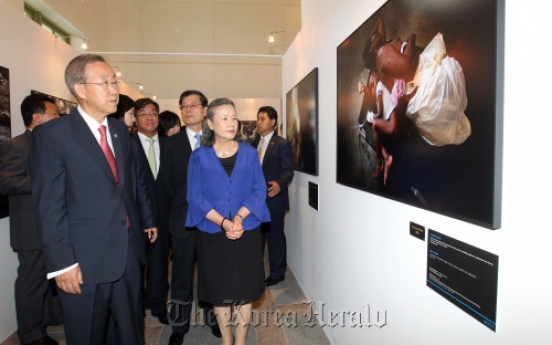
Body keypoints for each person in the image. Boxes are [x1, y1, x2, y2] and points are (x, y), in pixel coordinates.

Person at [30, 54, 158, 345]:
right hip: (83, 263)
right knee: (87, 335)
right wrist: (62, 264)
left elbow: (127, 191)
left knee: (130, 335)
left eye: (115, 82)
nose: (115, 89)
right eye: (105, 83)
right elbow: (49, 205)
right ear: (81, 89)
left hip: (127, 256)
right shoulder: (52, 136)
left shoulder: (120, 132)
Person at [186, 97, 270, 345]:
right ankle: (226, 337)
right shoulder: (199, 157)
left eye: (234, 117)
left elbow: (259, 189)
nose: (231, 123)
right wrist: (224, 222)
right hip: (213, 231)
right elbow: (195, 197)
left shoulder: (250, 153)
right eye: (224, 118)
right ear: (210, 123)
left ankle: (241, 340)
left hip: (247, 229)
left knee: (245, 289)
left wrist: (240, 217)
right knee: (220, 289)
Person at [0, 93, 62, 345]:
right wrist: (46, 182)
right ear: (37, 116)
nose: (58, 118)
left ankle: (53, 317)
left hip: (54, 226)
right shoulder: (17, 145)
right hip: (31, 229)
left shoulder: (52, 144)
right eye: (54, 114)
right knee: (31, 282)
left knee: (55, 278)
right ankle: (31, 334)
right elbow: (7, 182)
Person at [163, 90, 220, 345]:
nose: (188, 110)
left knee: (211, 274)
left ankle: (214, 319)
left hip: (214, 222)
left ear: (205, 108)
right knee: (181, 278)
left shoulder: (218, 141)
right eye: (183, 106)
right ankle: (179, 326)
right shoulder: (170, 144)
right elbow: (165, 187)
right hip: (182, 221)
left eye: (193, 105)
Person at [364, 17, 471, 146]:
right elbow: (407, 66)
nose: (374, 35)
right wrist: (411, 38)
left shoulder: (381, 61)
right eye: (372, 38)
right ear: (372, 49)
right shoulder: (382, 53)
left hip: (419, 99)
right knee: (463, 54)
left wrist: (373, 32)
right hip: (425, 90)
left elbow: (380, 21)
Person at [131, 98, 172, 325]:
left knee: (159, 264)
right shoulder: (126, 145)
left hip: (164, 216)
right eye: (143, 113)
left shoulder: (169, 145)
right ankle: (135, 307)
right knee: (135, 265)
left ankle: (157, 304)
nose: (149, 117)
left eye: (154, 113)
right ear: (135, 119)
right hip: (135, 218)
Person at [251, 106, 294, 286]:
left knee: (274, 236)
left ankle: (277, 273)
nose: (258, 122)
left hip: (273, 198)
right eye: (258, 119)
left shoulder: (282, 144)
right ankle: (256, 272)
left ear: (273, 122)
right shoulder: (253, 144)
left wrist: (279, 183)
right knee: (256, 238)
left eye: (262, 118)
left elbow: (288, 170)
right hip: (255, 200)